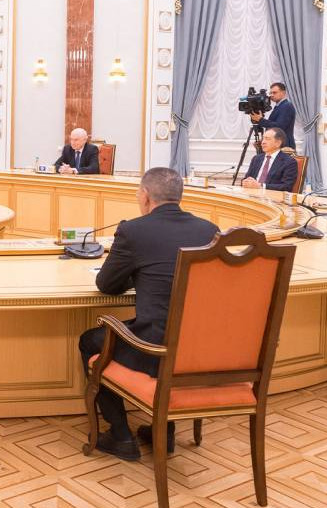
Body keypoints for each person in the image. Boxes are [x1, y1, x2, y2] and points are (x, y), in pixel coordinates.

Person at [78, 167, 218, 461]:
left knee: (90, 340)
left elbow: (107, 285)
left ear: (145, 196)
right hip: (201, 349)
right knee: (170, 325)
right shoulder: (208, 230)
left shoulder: (133, 231)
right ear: (179, 196)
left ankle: (120, 435)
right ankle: (163, 431)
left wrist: (136, 272)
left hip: (155, 349)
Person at [241, 128, 298, 192]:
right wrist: (245, 182)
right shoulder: (256, 159)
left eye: (267, 139)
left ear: (278, 143)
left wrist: (261, 186)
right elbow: (247, 178)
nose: (263, 142)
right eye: (263, 139)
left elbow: (286, 186)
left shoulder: (289, 162)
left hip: (272, 196)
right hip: (251, 194)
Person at [250, 82, 295, 149]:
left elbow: (279, 127)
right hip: (278, 145)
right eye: (270, 93)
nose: (271, 95)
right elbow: (273, 128)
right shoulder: (280, 106)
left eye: (274, 93)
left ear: (283, 93)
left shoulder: (286, 106)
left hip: (284, 146)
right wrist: (264, 141)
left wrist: (260, 120)